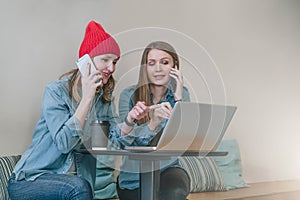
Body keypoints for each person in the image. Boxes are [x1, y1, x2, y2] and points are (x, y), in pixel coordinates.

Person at [7, 20, 120, 200]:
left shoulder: (103, 98)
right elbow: (64, 143)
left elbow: (113, 140)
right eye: (105, 60)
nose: (111, 68)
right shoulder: (56, 92)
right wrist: (87, 99)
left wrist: (129, 121)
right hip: (30, 181)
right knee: (78, 188)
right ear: (86, 61)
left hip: (75, 185)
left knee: (80, 187)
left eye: (114, 61)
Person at [110, 41, 191, 200]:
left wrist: (179, 98)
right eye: (151, 63)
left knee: (174, 193)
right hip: (133, 178)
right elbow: (125, 142)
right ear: (145, 68)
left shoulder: (181, 94)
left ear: (175, 67)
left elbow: (184, 138)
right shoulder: (129, 95)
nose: (158, 69)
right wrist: (152, 124)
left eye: (165, 62)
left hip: (169, 171)